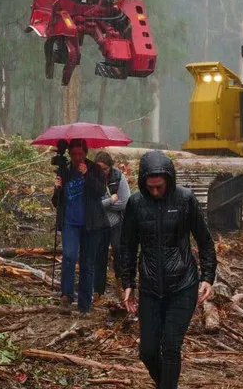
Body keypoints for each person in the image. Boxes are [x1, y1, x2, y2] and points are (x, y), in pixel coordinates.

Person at [119, 150, 216, 389]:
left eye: (159, 187)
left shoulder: (185, 199)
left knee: (171, 346)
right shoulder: (136, 203)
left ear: (169, 181)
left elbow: (204, 240)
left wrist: (207, 277)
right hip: (151, 287)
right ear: (143, 182)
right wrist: (128, 283)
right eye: (150, 187)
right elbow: (127, 246)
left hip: (183, 285)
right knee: (148, 351)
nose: (155, 191)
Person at [50, 139, 109, 314]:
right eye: (74, 154)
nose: (77, 158)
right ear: (69, 154)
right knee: (68, 256)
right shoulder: (64, 170)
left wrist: (86, 175)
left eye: (80, 154)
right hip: (70, 222)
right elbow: (56, 202)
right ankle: (67, 295)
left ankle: (85, 303)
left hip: (91, 224)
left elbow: (100, 191)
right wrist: (58, 188)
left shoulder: (95, 169)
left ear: (85, 153)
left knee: (87, 263)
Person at [92, 150, 130, 306]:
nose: (102, 172)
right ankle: (98, 293)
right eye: (98, 168)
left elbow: (125, 202)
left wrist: (104, 204)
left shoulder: (119, 177)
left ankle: (122, 286)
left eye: (105, 169)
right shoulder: (91, 179)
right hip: (99, 224)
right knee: (99, 257)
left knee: (119, 252)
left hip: (116, 223)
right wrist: (110, 201)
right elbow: (91, 205)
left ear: (110, 168)